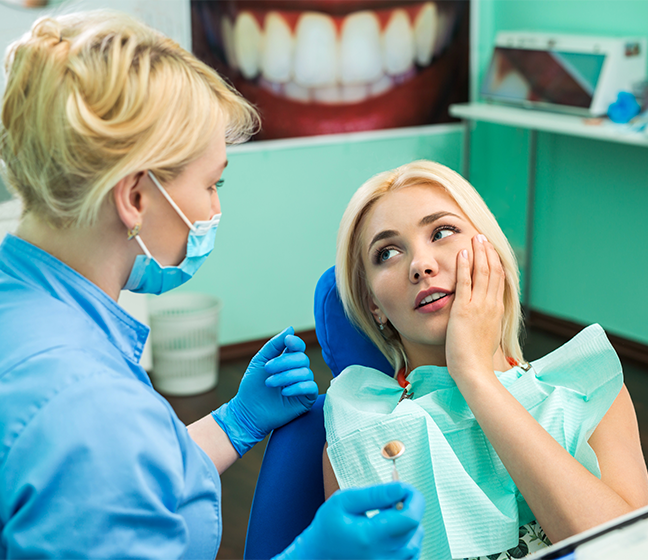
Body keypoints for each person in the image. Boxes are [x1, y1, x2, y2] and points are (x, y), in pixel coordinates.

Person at [0, 11, 426, 559]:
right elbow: (102, 454)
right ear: (134, 197)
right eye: (211, 183)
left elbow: (126, 482)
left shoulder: (31, 312)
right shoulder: (86, 406)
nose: (214, 209)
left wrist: (236, 421)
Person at [322, 160, 648, 560]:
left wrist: (474, 376)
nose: (420, 265)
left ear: (489, 250)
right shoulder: (361, 435)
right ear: (375, 306)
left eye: (441, 232)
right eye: (387, 252)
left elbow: (623, 552)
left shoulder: (590, 390)